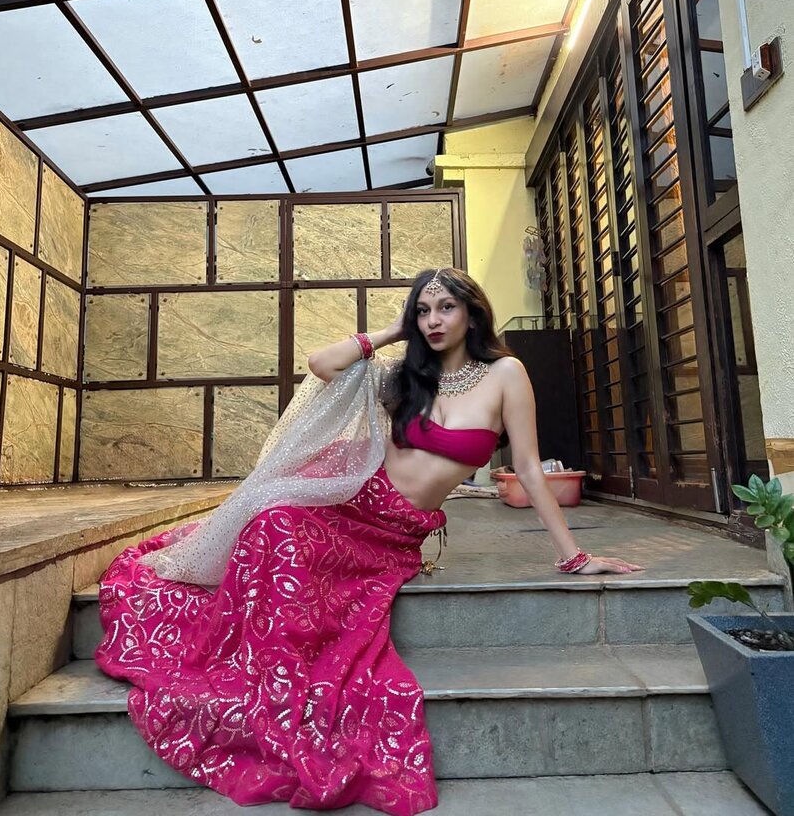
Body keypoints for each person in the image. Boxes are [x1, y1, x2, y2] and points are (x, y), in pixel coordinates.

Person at [95, 267, 642, 816]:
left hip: (393, 532)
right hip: (350, 496)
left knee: (279, 531)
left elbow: (526, 465)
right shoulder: (402, 375)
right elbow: (322, 364)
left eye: (445, 308)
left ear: (472, 313)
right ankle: (259, 664)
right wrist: (393, 331)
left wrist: (574, 555)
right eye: (422, 311)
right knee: (271, 523)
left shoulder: (505, 374)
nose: (433, 320)